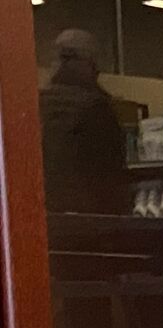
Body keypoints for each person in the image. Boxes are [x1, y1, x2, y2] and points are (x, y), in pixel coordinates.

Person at [40, 28, 130, 215]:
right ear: (89, 64)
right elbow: (110, 178)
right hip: (89, 222)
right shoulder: (96, 109)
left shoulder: (35, 107)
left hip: (45, 217)